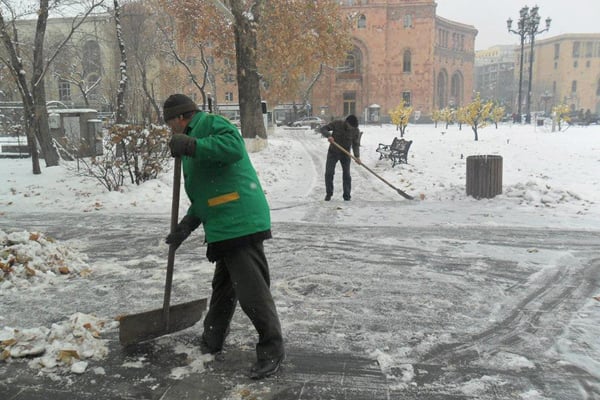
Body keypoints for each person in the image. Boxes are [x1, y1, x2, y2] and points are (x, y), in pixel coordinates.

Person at [162, 94, 284, 380]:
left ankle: (272, 350)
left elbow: (233, 147)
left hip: (239, 220)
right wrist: (186, 227)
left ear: (180, 117)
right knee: (223, 289)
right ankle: (212, 339)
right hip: (224, 222)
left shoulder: (210, 123)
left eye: (169, 123)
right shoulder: (194, 136)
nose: (169, 129)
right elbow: (209, 192)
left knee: (252, 293)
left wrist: (191, 145)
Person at [319, 115, 361, 201]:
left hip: (345, 154)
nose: (351, 129)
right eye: (350, 127)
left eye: (353, 128)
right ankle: (329, 194)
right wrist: (328, 136)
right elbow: (323, 129)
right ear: (346, 122)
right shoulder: (337, 123)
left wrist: (357, 156)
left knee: (347, 175)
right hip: (333, 152)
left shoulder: (355, 130)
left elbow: (355, 144)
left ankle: (347, 196)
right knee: (329, 173)